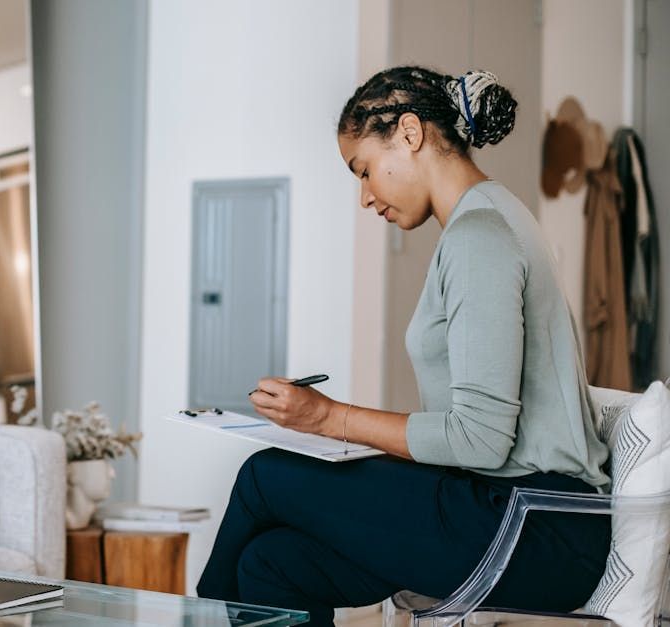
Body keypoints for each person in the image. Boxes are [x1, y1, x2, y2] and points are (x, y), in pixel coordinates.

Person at [196, 67, 610, 625]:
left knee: (264, 476)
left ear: (410, 134)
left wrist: (329, 418)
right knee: (271, 564)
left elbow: (482, 439)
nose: (365, 196)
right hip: (499, 508)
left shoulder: (479, 237)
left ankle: (186, 618)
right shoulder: (485, 223)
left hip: (539, 526)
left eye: (364, 170)